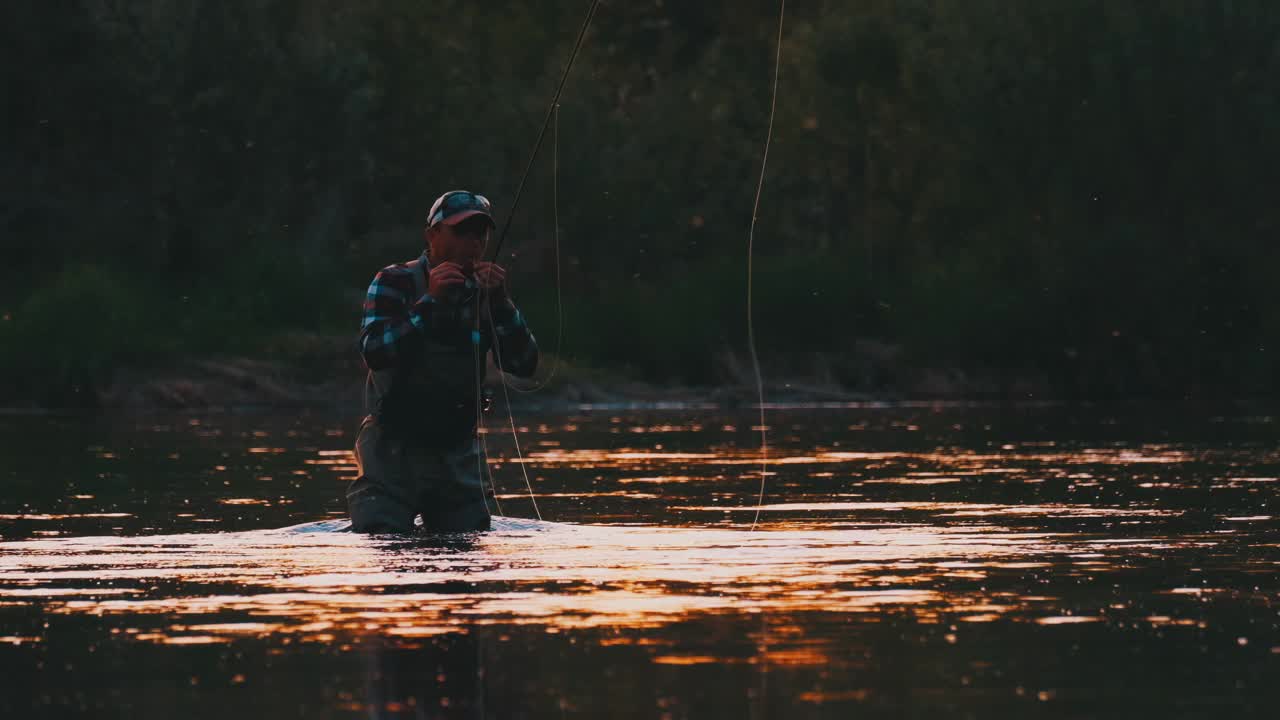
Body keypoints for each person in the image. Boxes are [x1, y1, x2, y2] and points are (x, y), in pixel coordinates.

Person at [347, 190, 539, 533]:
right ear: (432, 234)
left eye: (479, 234)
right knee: (382, 541)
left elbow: (524, 364)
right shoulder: (394, 281)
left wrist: (502, 304)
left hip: (457, 451)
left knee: (465, 552)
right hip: (392, 449)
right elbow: (374, 351)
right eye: (461, 232)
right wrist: (430, 303)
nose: (472, 242)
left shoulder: (488, 293)